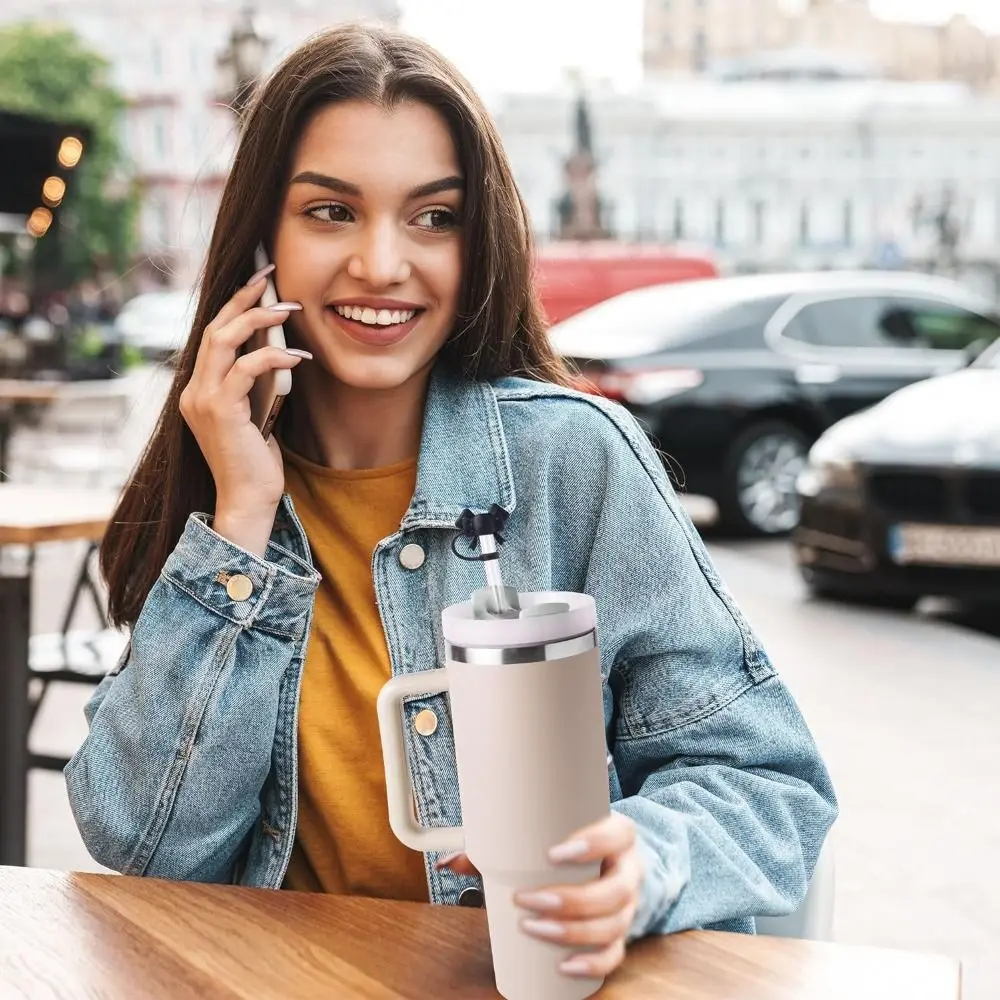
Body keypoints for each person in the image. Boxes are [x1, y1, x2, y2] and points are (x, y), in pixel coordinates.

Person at [65, 23, 837, 981]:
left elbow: (766, 782)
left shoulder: (573, 462)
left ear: (480, 245)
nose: (384, 264)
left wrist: (643, 860)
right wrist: (241, 523)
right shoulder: (221, 501)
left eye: (434, 217)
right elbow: (146, 851)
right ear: (262, 238)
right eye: (331, 212)